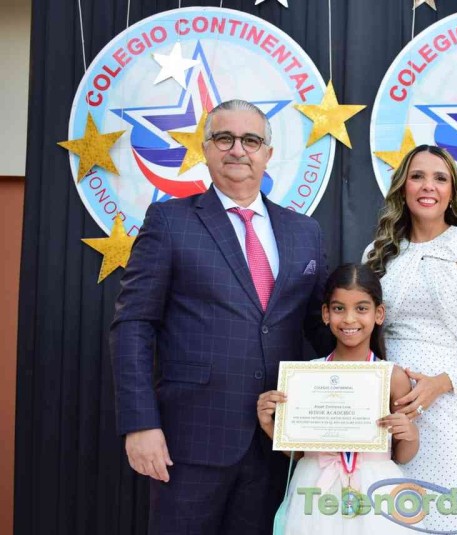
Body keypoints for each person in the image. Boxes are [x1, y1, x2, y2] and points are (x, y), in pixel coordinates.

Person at [109, 99, 333, 534]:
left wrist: (373, 378)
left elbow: (320, 328)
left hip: (277, 439)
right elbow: (134, 324)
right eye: (224, 138)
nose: (238, 150)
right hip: (190, 439)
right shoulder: (169, 222)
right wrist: (140, 423)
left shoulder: (304, 231)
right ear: (206, 149)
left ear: (268, 153)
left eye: (251, 140)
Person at [364, 145, 457, 534]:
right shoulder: (378, 254)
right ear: (403, 187)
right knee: (387, 519)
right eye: (417, 176)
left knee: (452, 516)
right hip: (388, 411)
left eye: (440, 178)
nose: (428, 186)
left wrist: (440, 384)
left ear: (452, 190)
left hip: (452, 410)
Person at [257, 263, 421, 534]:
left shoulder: (392, 377)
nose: (349, 319)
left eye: (361, 308)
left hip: (375, 488)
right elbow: (301, 451)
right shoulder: (307, 376)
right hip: (314, 486)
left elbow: (403, 455)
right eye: (338, 308)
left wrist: (411, 434)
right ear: (325, 313)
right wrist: (270, 426)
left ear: (379, 314)